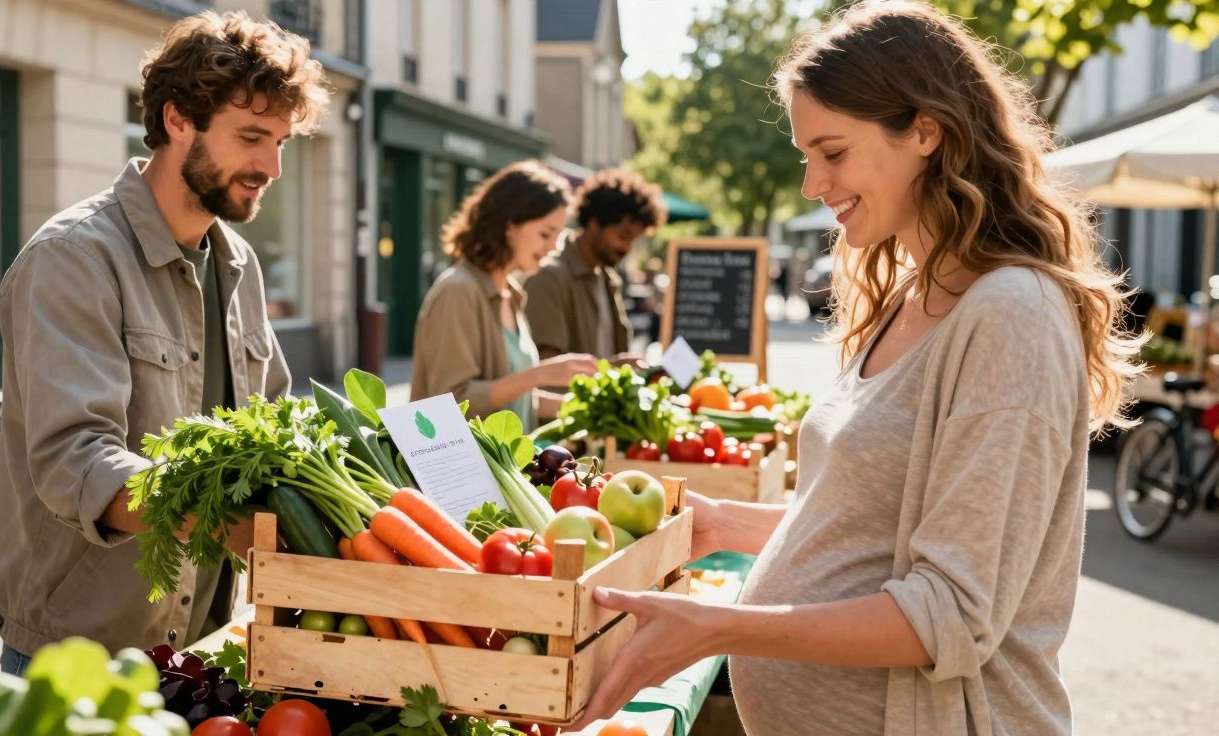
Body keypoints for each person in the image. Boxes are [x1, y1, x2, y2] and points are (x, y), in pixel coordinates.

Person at [571, 2, 1142, 734]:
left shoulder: (1012, 317)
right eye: (808, 155)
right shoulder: (912, 292)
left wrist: (720, 628)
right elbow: (874, 531)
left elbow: (950, 615)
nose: (813, 184)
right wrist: (726, 523)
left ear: (926, 132)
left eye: (833, 153)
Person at [0, 11, 331, 674]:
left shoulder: (237, 263)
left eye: (282, 142)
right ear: (178, 120)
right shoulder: (74, 258)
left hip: (203, 645)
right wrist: (218, 521)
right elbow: (76, 464)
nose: (272, 165)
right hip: (81, 658)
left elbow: (279, 421)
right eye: (253, 136)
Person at [409, 161, 599, 426]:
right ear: (509, 224)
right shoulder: (458, 291)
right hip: (462, 467)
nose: (554, 247)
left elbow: (512, 399)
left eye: (558, 235)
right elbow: (451, 402)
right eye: (546, 233)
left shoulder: (511, 293)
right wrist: (539, 374)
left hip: (505, 467)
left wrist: (588, 409)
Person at [524, 169, 666, 363]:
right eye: (623, 236)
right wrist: (608, 372)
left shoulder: (608, 279)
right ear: (594, 222)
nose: (627, 247)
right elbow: (545, 370)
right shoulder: (549, 276)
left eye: (633, 239)